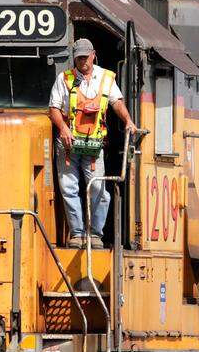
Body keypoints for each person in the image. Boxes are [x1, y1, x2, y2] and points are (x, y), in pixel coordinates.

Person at [49, 38, 136, 249]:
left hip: (94, 144)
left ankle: (95, 234)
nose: (83, 62)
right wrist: (63, 128)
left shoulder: (106, 78)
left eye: (85, 58)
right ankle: (77, 234)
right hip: (68, 145)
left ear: (93, 54)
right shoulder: (64, 79)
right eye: (78, 58)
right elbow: (53, 109)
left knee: (98, 188)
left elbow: (116, 102)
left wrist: (128, 121)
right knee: (69, 188)